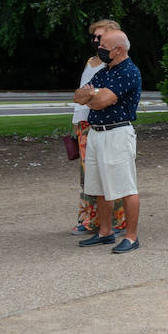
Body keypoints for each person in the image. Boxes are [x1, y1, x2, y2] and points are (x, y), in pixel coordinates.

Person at [73, 30, 143, 252]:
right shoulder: (105, 71)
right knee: (100, 186)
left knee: (126, 187)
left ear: (119, 50)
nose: (99, 49)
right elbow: (78, 97)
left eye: (104, 47)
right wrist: (95, 95)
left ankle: (131, 237)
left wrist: (93, 96)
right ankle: (105, 232)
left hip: (117, 134)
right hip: (96, 133)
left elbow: (102, 101)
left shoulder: (129, 72)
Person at [71, 19, 126, 237]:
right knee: (89, 176)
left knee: (110, 174)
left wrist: (88, 96)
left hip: (101, 123)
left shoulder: (112, 64)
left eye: (100, 37)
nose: (96, 40)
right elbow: (79, 95)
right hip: (83, 124)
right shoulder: (91, 61)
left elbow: (100, 95)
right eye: (94, 36)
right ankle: (90, 218)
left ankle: (117, 220)